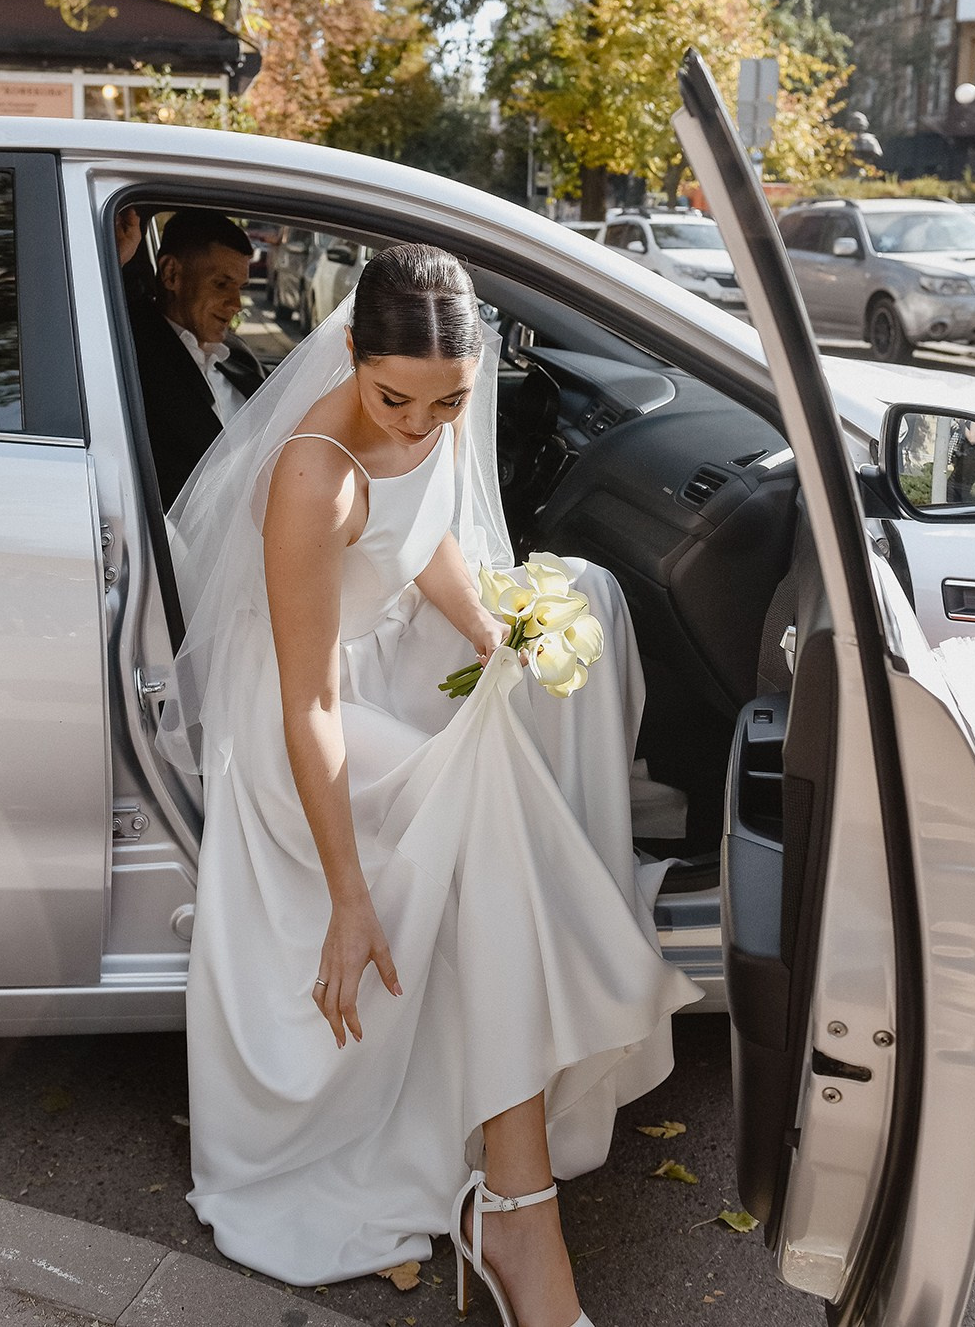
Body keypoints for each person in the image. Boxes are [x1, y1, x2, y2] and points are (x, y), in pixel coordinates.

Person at [160, 245, 699, 1325]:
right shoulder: (311, 471)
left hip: (380, 663)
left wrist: (494, 632)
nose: (417, 424)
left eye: (447, 401)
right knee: (486, 788)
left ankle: (513, 1196)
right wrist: (350, 899)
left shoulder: (436, 414)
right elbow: (304, 707)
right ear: (351, 353)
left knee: (559, 642)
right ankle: (517, 1211)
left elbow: (429, 532)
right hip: (297, 729)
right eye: (392, 396)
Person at [128, 209, 264, 507]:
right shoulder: (130, 354)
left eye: (239, 287)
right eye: (221, 284)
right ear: (171, 274)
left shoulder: (238, 354)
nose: (237, 304)